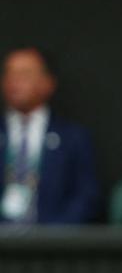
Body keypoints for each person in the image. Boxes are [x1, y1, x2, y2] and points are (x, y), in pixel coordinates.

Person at [1, 47, 100, 225]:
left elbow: (87, 196)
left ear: (48, 83)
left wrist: (55, 237)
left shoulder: (73, 138)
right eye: (9, 73)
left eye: (24, 74)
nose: (14, 81)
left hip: (51, 245)